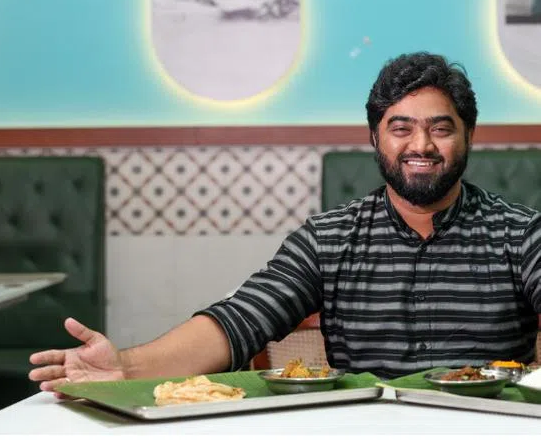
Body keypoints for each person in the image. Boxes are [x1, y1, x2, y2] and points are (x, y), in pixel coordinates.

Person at [29, 54, 541, 385]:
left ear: (469, 136)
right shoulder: (327, 238)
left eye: (440, 129)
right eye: (400, 128)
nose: (420, 146)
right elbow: (239, 321)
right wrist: (126, 366)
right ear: (375, 139)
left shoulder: (521, 233)